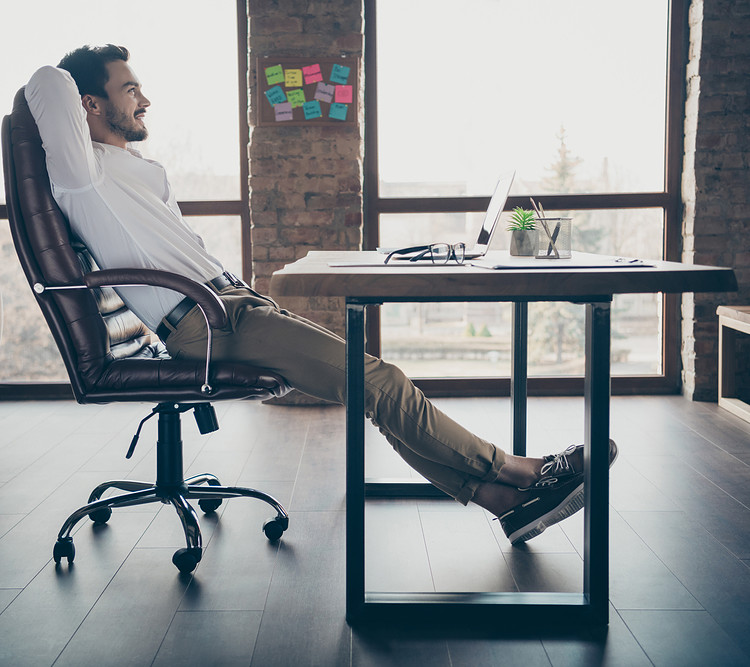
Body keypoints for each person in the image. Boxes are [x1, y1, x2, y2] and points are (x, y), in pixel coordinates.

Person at [25, 44, 616, 545]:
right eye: (129, 89)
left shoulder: (133, 169)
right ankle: (522, 469)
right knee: (381, 382)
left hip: (233, 306)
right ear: (89, 105)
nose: (144, 100)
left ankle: (503, 502)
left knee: (372, 389)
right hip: (206, 324)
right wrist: (78, 85)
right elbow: (46, 83)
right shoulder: (83, 175)